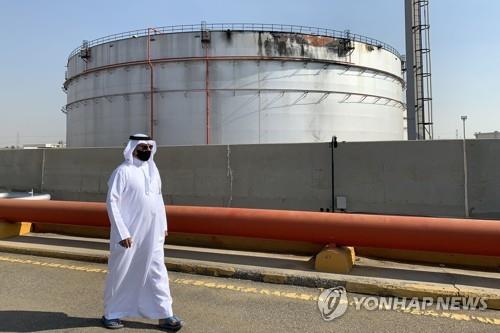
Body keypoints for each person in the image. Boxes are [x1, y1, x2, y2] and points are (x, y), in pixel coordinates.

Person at [102, 134, 184, 331]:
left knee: (157, 271)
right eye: (142, 147)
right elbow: (111, 202)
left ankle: (165, 314)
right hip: (129, 235)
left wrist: (163, 226)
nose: (147, 150)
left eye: (149, 147)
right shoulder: (122, 172)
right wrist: (122, 232)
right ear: (133, 149)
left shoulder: (153, 171)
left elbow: (159, 200)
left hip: (153, 234)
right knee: (122, 272)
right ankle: (111, 313)